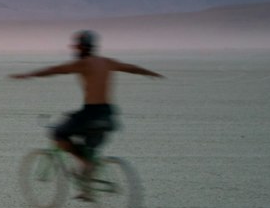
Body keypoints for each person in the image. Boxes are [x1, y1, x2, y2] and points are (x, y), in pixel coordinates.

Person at [10, 30, 164, 195]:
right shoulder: (107, 62)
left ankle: (86, 165)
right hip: (108, 115)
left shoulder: (83, 64)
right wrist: (150, 73)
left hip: (91, 113)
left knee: (58, 134)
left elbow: (56, 69)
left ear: (81, 47)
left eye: (76, 46)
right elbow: (130, 68)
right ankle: (87, 187)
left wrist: (29, 75)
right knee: (89, 149)